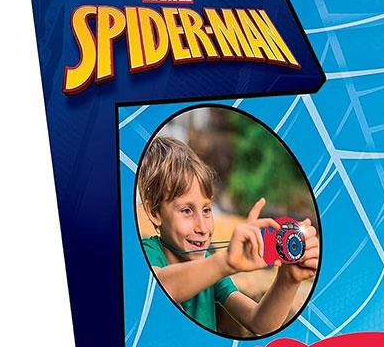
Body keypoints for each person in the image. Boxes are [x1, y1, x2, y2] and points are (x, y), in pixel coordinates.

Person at [137, 135, 319, 334]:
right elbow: (158, 288)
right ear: (154, 212)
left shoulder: (211, 266)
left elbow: (259, 322)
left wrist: (288, 280)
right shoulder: (147, 253)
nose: (202, 227)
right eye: (187, 211)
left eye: (207, 210)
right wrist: (225, 263)